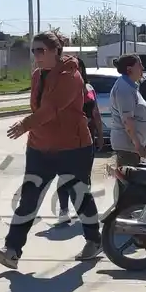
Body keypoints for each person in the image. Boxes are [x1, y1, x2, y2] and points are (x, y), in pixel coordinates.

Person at [0, 32, 101, 269]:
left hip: (73, 147)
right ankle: (12, 250)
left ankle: (94, 240)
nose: (37, 56)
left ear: (56, 51)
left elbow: (50, 109)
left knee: (79, 195)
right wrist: (30, 132)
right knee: (29, 198)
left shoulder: (71, 77)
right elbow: (40, 109)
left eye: (41, 50)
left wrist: (23, 125)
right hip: (40, 147)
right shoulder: (37, 76)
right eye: (34, 51)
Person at [55, 82, 104, 226]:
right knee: (64, 176)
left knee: (84, 176)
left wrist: (100, 135)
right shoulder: (61, 89)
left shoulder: (89, 88)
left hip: (88, 138)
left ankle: (84, 209)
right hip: (67, 139)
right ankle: (64, 210)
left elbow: (96, 113)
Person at [108, 54, 146, 170]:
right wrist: (138, 146)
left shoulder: (130, 86)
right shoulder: (124, 89)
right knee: (129, 184)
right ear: (129, 69)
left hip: (131, 147)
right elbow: (127, 121)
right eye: (139, 65)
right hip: (127, 147)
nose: (142, 68)